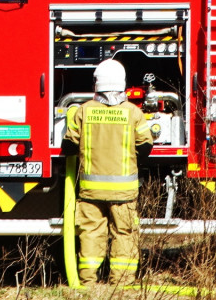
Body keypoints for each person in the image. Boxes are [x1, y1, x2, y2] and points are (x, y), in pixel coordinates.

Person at [61, 58, 153, 286]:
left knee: (91, 233)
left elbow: (69, 147)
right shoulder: (133, 112)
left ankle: (87, 281)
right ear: (122, 84)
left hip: (90, 190)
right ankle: (121, 282)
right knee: (124, 234)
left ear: (96, 83)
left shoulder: (83, 111)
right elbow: (145, 146)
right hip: (124, 192)